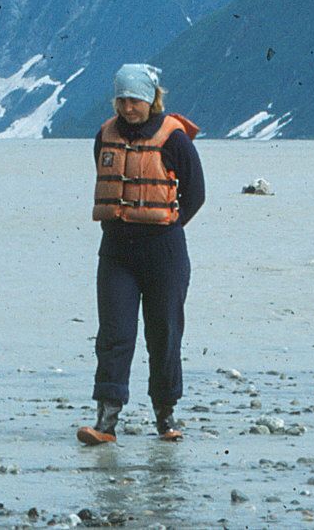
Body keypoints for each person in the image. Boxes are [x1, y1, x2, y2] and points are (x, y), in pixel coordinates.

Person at [76, 63, 205, 445]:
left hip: (164, 249)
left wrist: (167, 225)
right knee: (114, 334)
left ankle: (165, 417)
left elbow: (195, 194)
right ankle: (106, 420)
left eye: (135, 100)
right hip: (116, 251)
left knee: (164, 334)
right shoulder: (105, 135)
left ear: (151, 100)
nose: (128, 107)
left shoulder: (174, 139)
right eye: (122, 99)